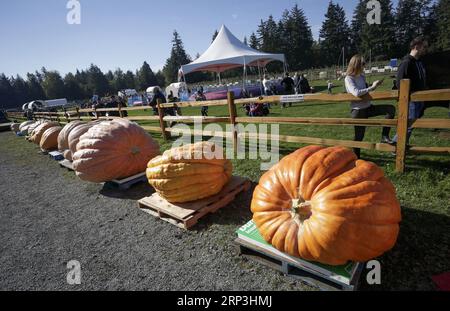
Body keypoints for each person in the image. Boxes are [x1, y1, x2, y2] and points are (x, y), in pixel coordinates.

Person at [345, 54, 396, 159]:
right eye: (363, 64)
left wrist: (374, 85)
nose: (365, 65)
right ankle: (356, 158)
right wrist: (372, 87)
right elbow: (357, 93)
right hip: (358, 111)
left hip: (368, 107)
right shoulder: (349, 78)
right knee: (359, 137)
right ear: (356, 64)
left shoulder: (362, 76)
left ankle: (384, 136)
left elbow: (365, 89)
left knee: (390, 109)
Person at [391, 36, 429, 146]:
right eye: (424, 47)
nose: (426, 49)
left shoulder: (419, 62)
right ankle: (396, 145)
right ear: (416, 47)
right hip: (410, 99)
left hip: (419, 98)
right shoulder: (406, 62)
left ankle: (402, 144)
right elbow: (400, 82)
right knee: (408, 124)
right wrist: (407, 97)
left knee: (412, 124)